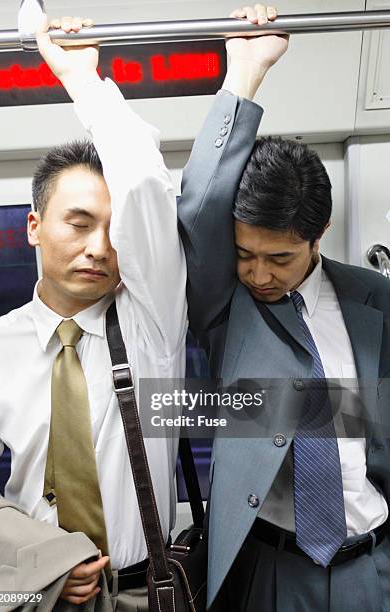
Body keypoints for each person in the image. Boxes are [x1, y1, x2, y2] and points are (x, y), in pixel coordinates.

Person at [0, 6, 283, 609]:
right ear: (34, 227)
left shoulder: (150, 322)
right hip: (34, 595)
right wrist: (35, 570)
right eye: (80, 223)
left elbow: (146, 185)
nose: (101, 247)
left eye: (114, 230)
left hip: (149, 591)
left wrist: (82, 82)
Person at [178, 8, 390, 610]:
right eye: (245, 254)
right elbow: (199, 208)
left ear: (317, 235)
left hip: (371, 565)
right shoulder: (229, 308)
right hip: (272, 570)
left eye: (279, 257)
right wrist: (245, 74)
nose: (258, 274)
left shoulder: (375, 301)